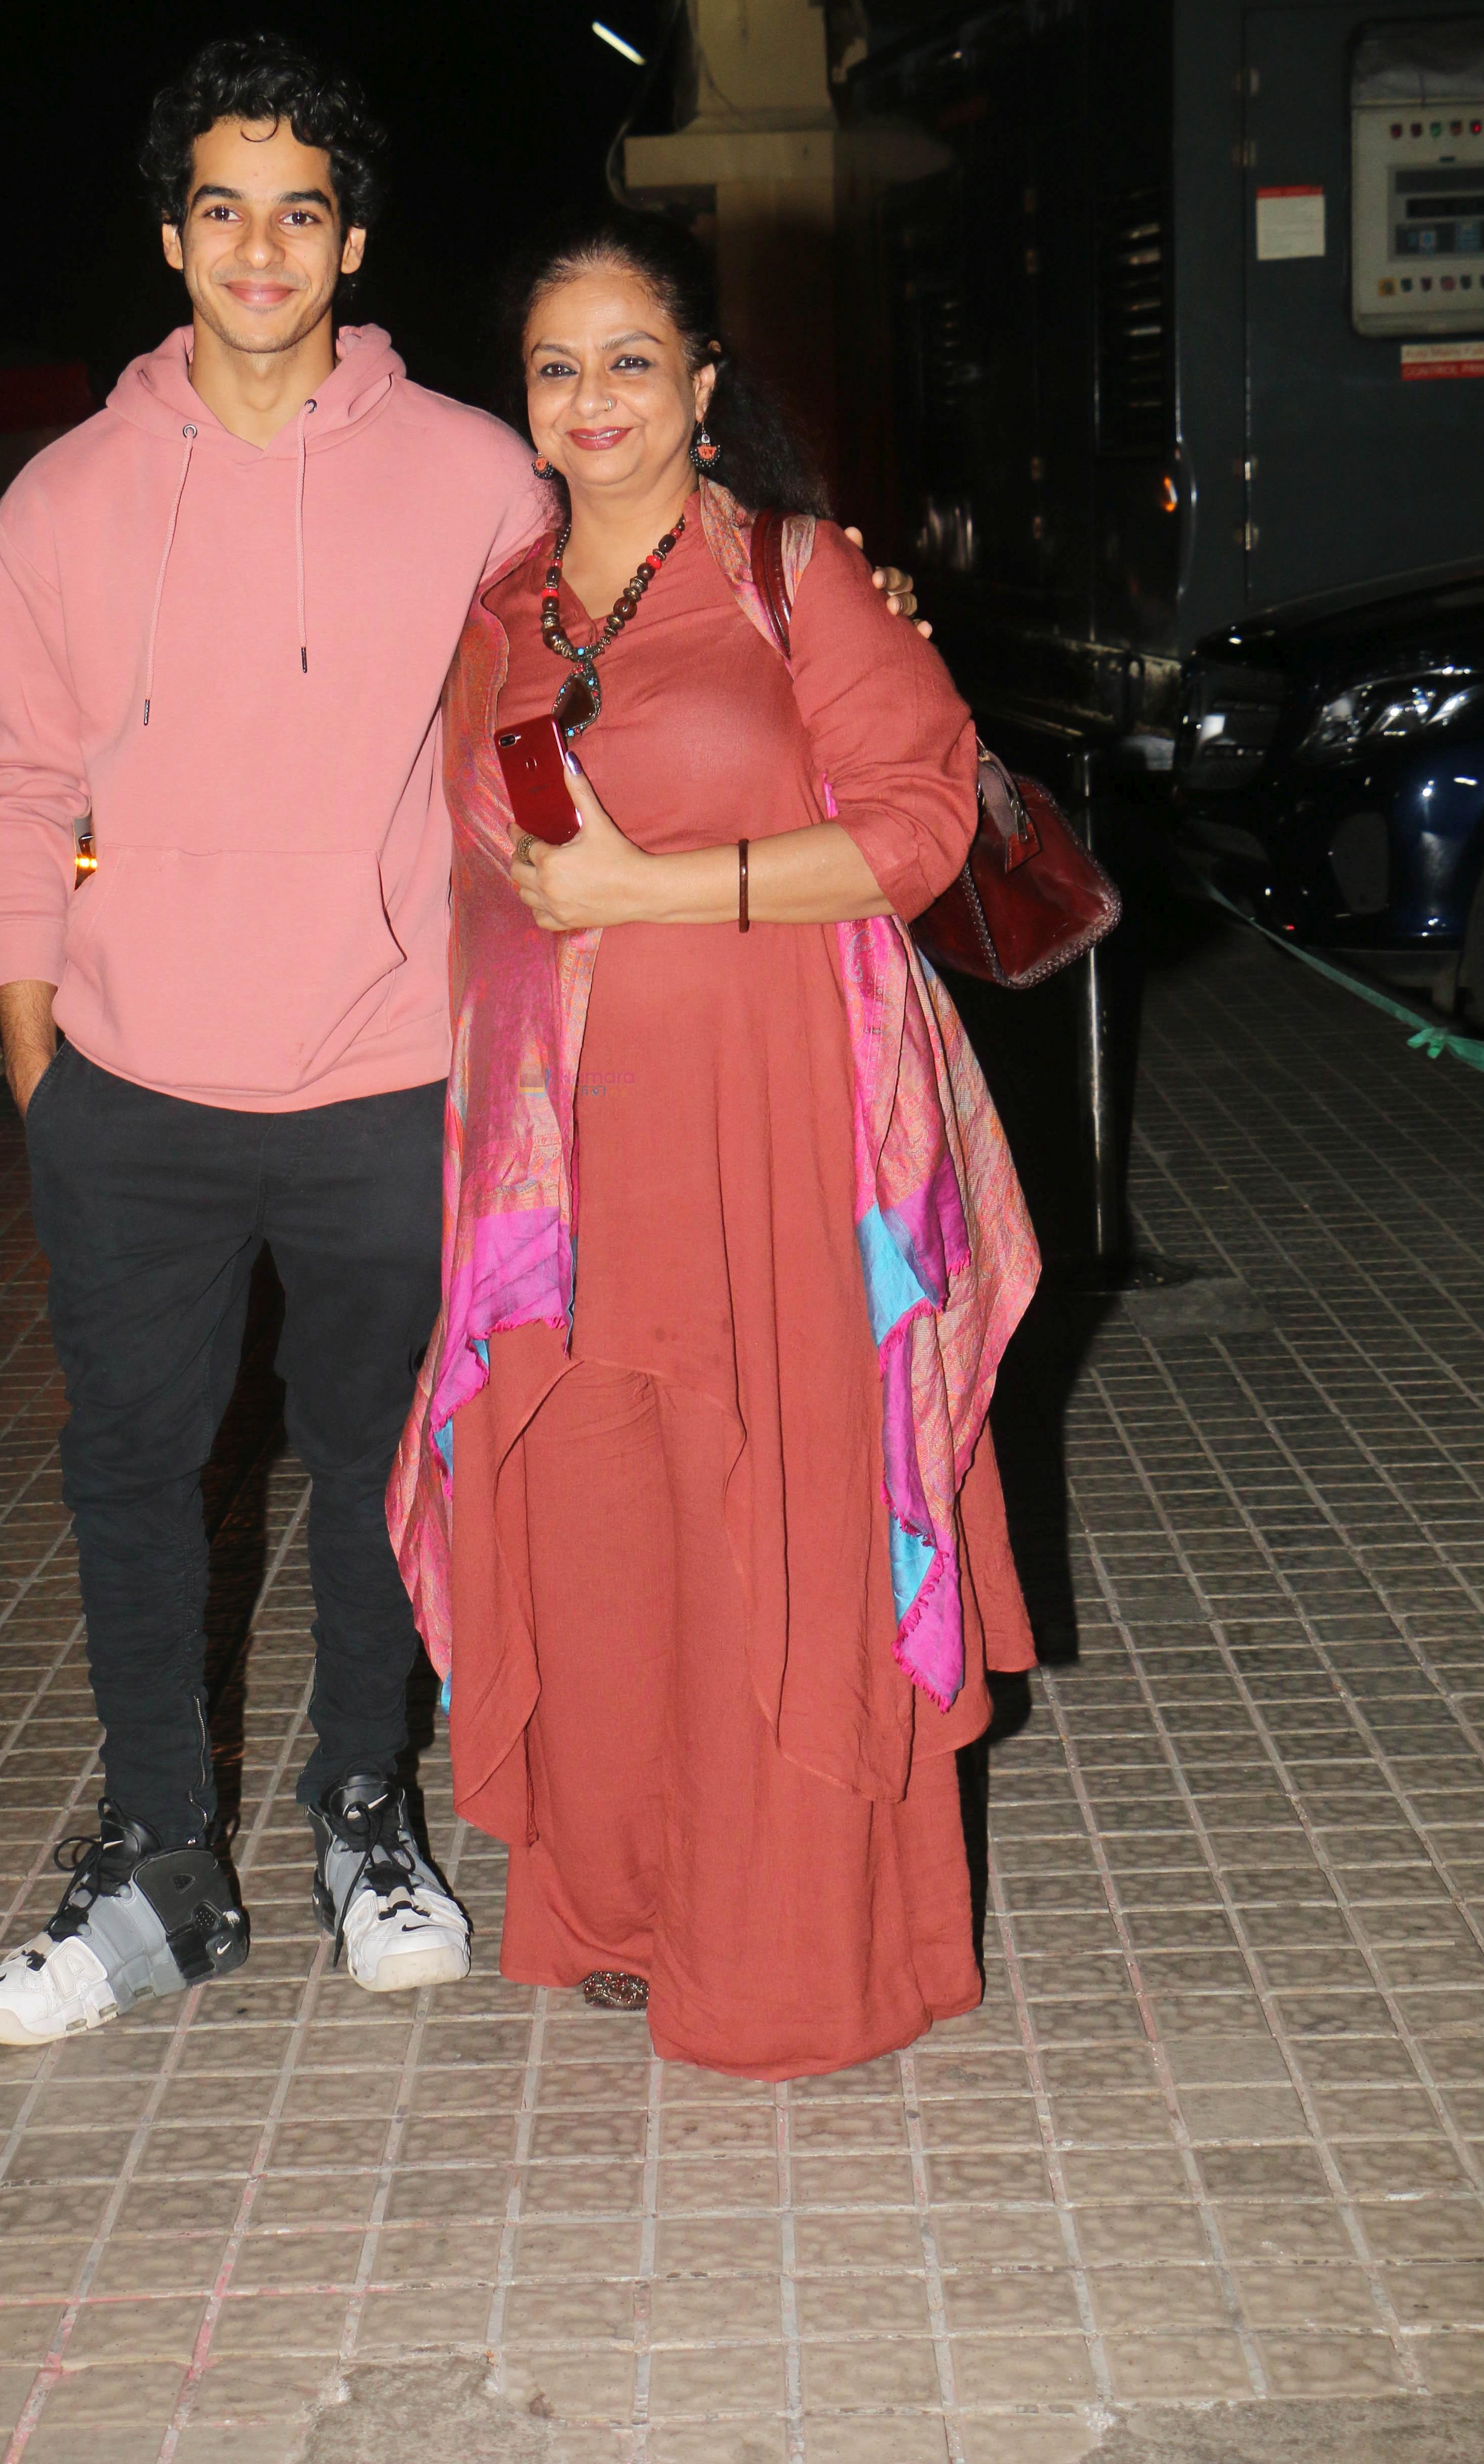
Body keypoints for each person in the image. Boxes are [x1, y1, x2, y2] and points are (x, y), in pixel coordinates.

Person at [0, 31, 925, 2047]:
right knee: (134, 1469)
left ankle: (362, 1813)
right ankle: (154, 1866)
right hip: (130, 1086)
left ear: (352, 240)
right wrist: (44, 1055)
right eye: (220, 207)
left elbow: (637, 586)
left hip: (399, 1079)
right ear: (170, 235)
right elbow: (9, 786)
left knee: (390, 1462)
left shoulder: (475, 470)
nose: (258, 246)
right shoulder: (57, 501)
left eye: (299, 210)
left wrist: (842, 589)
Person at [387, 213, 1040, 2079]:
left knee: (781, 1526)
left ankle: (786, 1954)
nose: (591, 399)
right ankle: (624, 1903)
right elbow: (475, 881)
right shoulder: (499, 616)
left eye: (629, 360)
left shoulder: (793, 574)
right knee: (600, 1538)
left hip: (775, 1144)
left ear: (702, 386)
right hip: (564, 1176)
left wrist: (653, 889)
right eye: (555, 367)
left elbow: (918, 828)